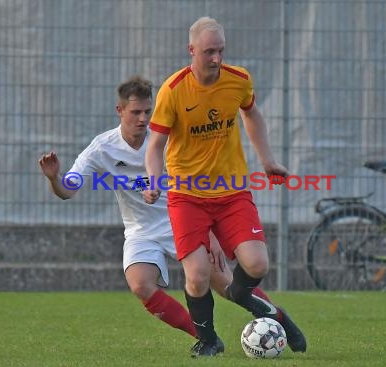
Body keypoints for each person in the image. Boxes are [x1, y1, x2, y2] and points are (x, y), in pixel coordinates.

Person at [38, 75, 273, 350]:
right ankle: (205, 338)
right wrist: (54, 179)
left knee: (227, 285)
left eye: (147, 111)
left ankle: (276, 318)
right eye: (135, 112)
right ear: (119, 111)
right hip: (141, 231)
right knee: (140, 284)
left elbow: (198, 187)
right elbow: (69, 189)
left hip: (182, 221)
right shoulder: (101, 149)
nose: (142, 118)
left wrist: (211, 235)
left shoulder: (166, 139)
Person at [144, 17, 307, 357]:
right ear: (192, 51)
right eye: (208, 52)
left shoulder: (239, 80)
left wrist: (267, 161)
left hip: (232, 192)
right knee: (198, 275)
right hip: (187, 197)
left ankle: (243, 295)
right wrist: (154, 180)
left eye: (220, 51)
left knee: (258, 265)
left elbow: (252, 115)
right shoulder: (173, 91)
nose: (216, 59)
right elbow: (155, 146)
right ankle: (208, 341)